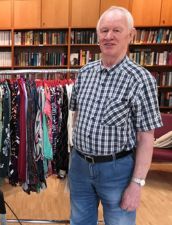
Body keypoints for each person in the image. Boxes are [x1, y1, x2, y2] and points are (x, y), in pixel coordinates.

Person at [68, 6, 162, 225]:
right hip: (80, 166)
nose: (108, 36)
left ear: (131, 34)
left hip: (117, 171)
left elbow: (145, 138)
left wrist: (137, 184)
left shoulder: (141, 80)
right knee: (79, 221)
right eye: (104, 30)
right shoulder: (84, 73)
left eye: (117, 30)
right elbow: (76, 116)